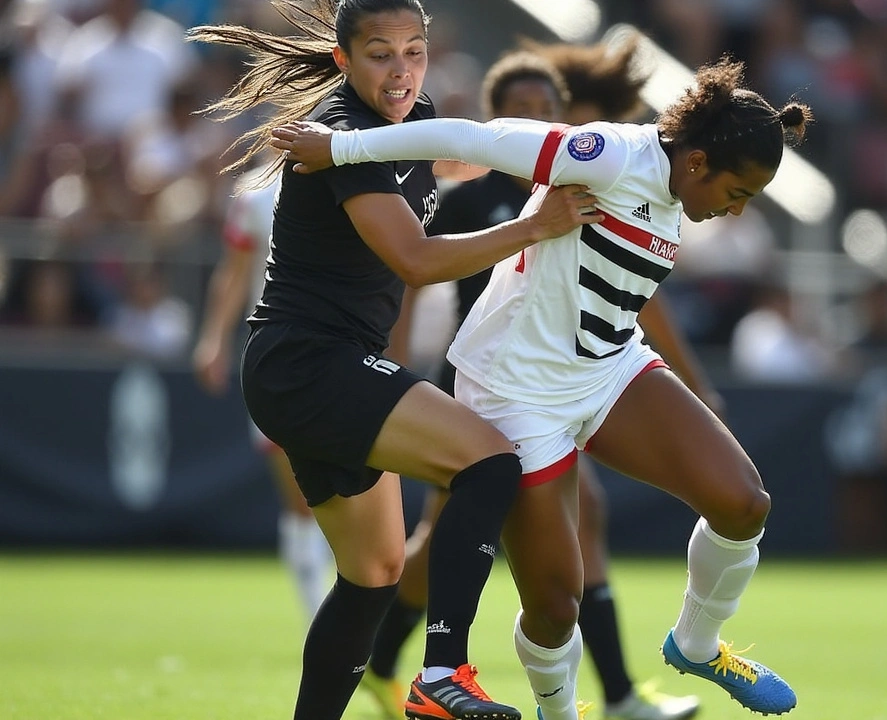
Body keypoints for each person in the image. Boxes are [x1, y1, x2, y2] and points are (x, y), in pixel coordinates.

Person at [272, 55, 808, 719]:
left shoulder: (679, 192)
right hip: (516, 391)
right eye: (739, 192)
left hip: (609, 366)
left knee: (744, 503)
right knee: (556, 608)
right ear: (697, 162)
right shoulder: (610, 154)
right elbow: (472, 138)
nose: (738, 210)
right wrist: (342, 147)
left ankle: (695, 645)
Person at [189, 2, 603, 719]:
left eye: (414, 50)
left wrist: (580, 153)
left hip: (308, 368)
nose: (402, 69)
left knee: (373, 575)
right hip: (310, 361)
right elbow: (413, 260)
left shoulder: (408, 122)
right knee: (489, 461)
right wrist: (534, 225)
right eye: (381, 53)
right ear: (346, 61)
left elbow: (456, 157)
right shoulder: (344, 133)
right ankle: (444, 670)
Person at [362, 44, 705, 720]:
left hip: (568, 382)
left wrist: (687, 376)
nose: (538, 121)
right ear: (501, 123)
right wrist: (394, 355)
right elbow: (413, 269)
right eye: (521, 113)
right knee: (450, 537)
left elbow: (638, 291)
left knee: (578, 523)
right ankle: (389, 660)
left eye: (546, 110)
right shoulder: (473, 198)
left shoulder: (595, 184)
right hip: (487, 383)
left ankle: (616, 693)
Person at [191, 160, 333, 622]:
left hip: (346, 354)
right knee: (302, 497)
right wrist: (214, 338)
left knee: (348, 490)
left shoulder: (364, 172)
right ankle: (319, 617)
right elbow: (235, 271)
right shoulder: (255, 193)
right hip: (279, 361)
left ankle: (344, 614)